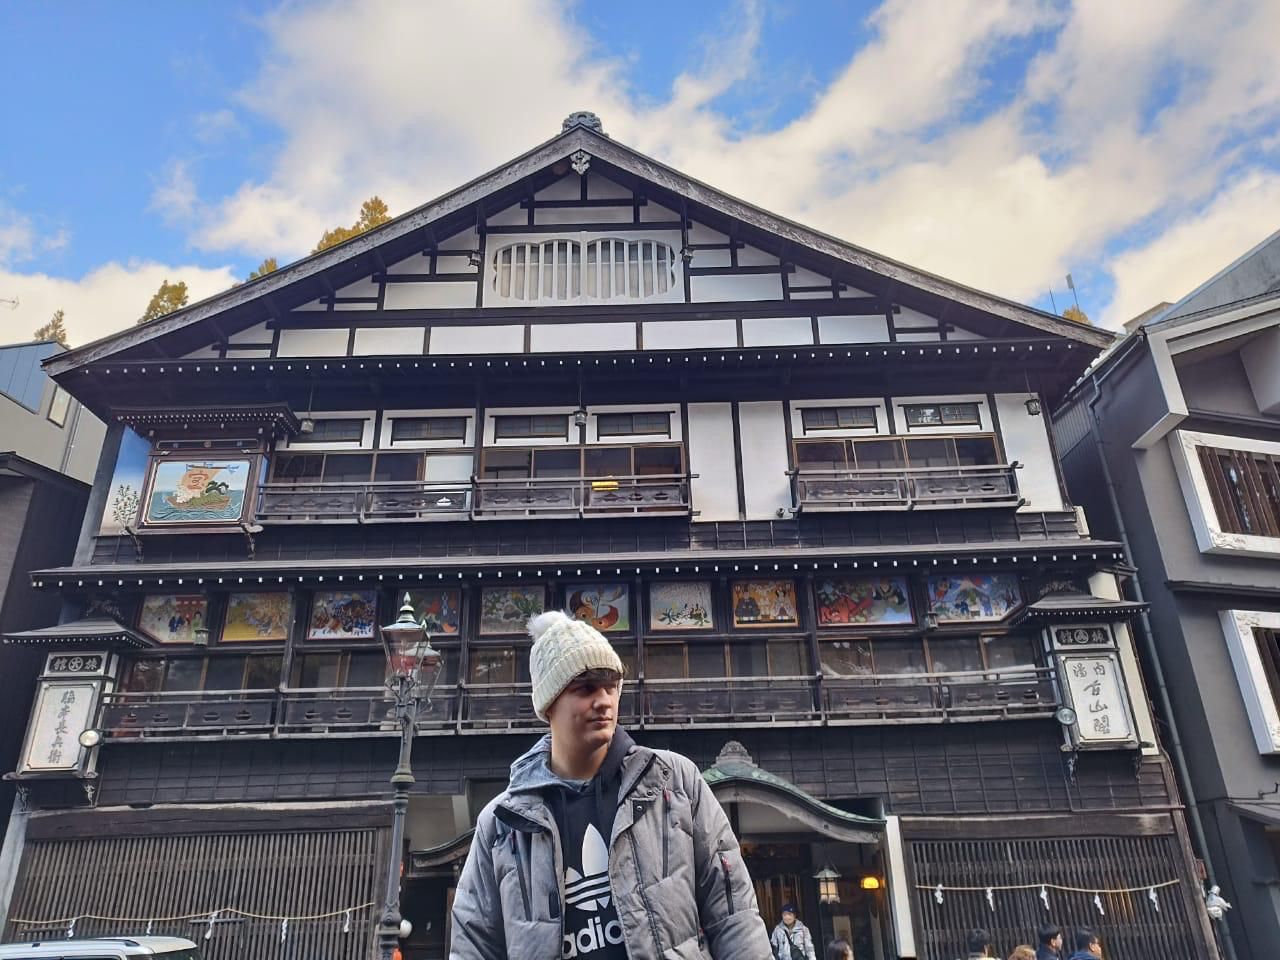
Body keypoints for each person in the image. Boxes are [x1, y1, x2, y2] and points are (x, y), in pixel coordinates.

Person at [450, 610, 773, 960]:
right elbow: (474, 944)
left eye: (611, 685)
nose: (604, 700)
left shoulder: (674, 782)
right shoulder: (503, 823)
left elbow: (735, 915)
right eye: (586, 687)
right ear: (549, 701)